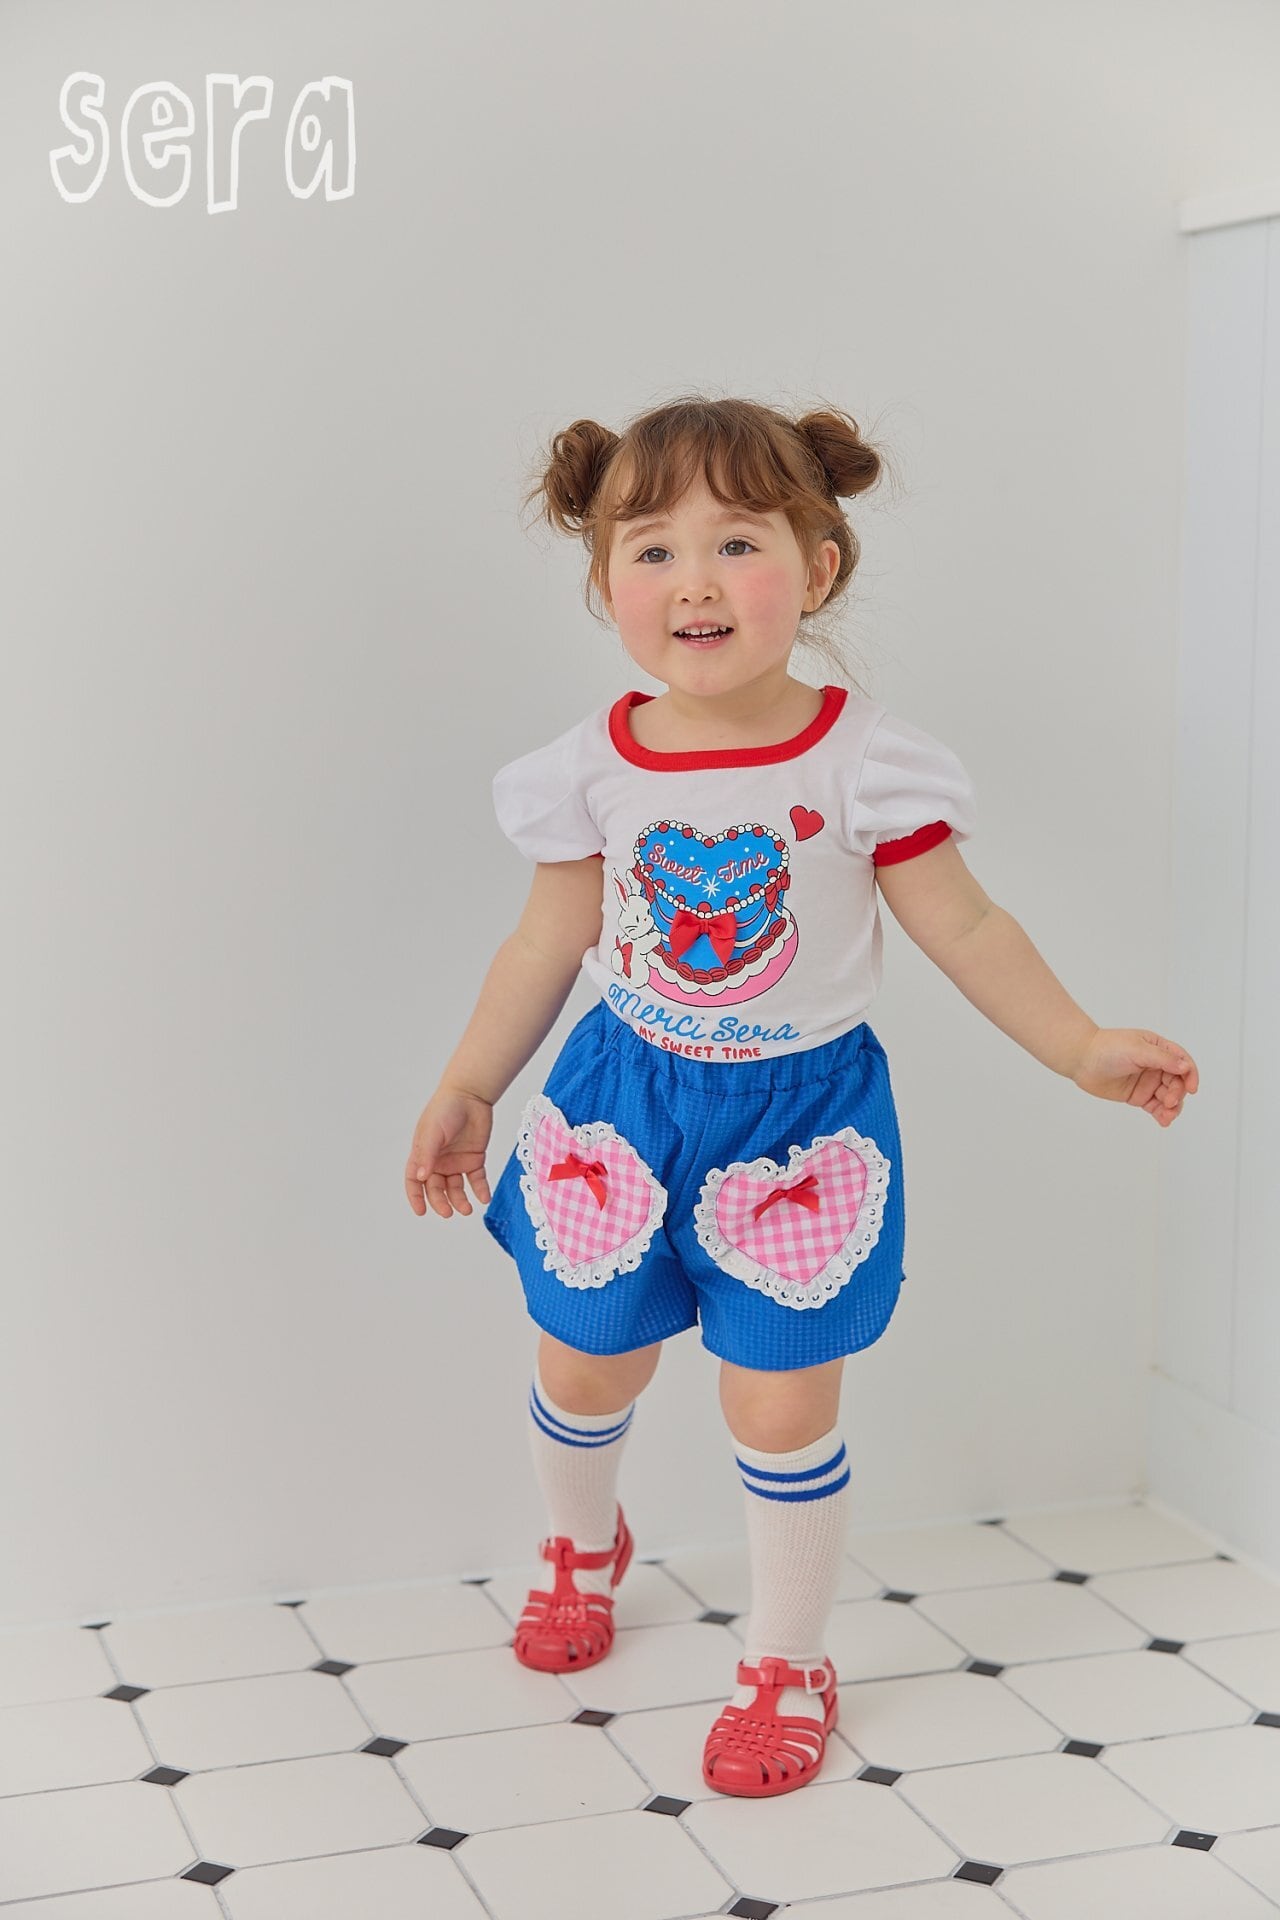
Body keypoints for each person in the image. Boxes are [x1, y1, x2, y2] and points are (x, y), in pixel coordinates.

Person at [403, 393, 1200, 1800]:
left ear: (817, 568)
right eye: (652, 549)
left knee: (779, 1407)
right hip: (620, 1107)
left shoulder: (864, 763)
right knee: (584, 1362)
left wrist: (1076, 1044)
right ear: (604, 586)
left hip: (799, 1131)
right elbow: (542, 944)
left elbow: (968, 927)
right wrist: (472, 1081)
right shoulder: (590, 769)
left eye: (738, 543)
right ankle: (583, 1547)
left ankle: (785, 1660)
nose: (695, 581)